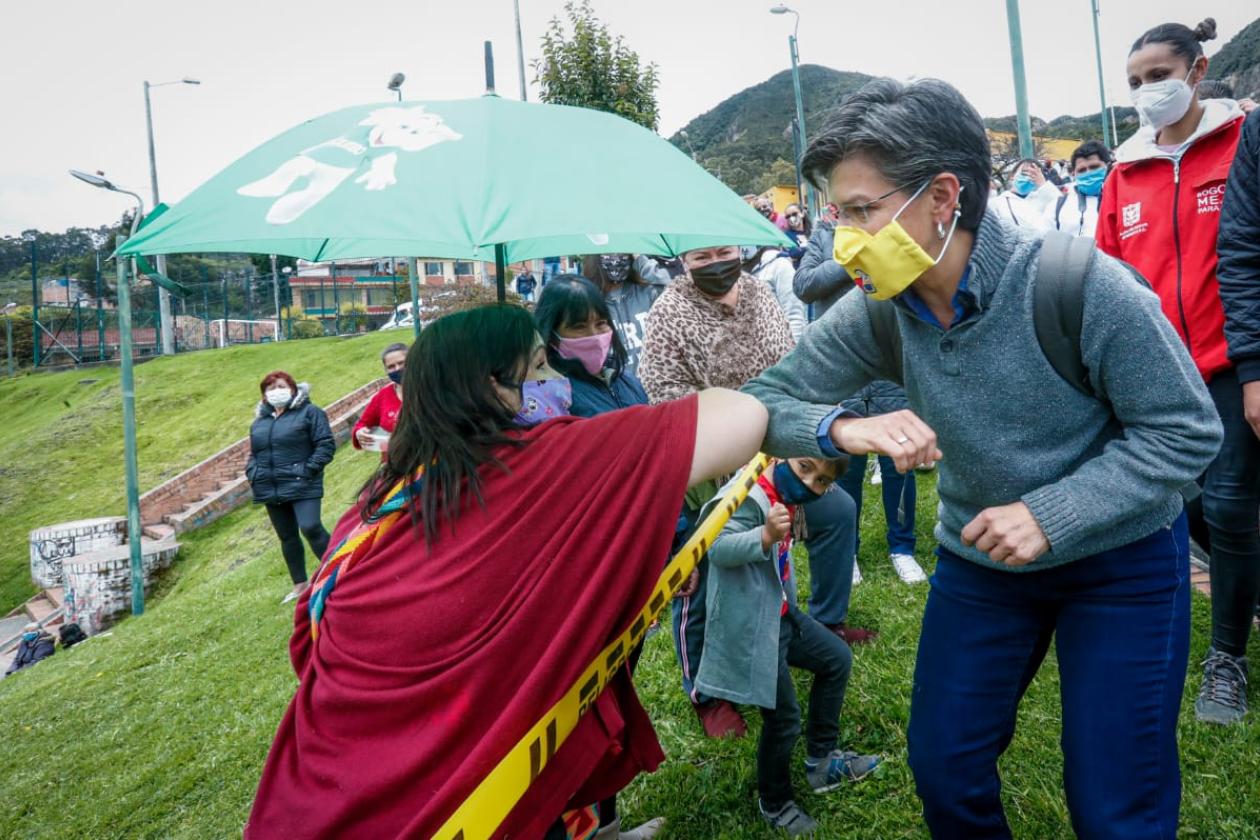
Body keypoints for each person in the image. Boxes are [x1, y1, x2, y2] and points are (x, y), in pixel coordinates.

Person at [745, 77, 1221, 838]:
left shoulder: (1077, 282)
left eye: (864, 210)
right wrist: (841, 430)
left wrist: (1054, 513)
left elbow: (1186, 430)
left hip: (1122, 561)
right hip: (982, 564)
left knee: (1114, 801)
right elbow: (763, 400)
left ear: (942, 197)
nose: (845, 239)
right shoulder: (879, 308)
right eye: (838, 213)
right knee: (944, 769)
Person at [244, 304, 768, 840]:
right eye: (539, 367)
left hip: (316, 793)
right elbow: (742, 416)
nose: (556, 382)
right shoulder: (543, 461)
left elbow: (308, 649)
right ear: (495, 386)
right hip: (462, 804)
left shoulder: (375, 503)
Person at [639, 244, 866, 741]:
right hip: (715, 467)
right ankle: (706, 691)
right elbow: (668, 405)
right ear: (684, 260)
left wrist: (793, 434)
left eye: (725, 251)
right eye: (703, 255)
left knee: (838, 510)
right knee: (700, 574)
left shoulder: (760, 292)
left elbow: (794, 366)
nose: (717, 263)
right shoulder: (668, 314)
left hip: (780, 452)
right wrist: (738, 427)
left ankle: (824, 623)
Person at [1095, 17, 1252, 726]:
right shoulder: (1124, 173)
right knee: (1185, 504)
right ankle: (1242, 589)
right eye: (1135, 83)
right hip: (1157, 374)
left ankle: (1226, 661)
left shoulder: (1243, 145)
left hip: (1231, 364)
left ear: (1197, 68)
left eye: (1159, 75)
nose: (1147, 91)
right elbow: (1106, 281)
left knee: (1227, 502)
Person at [697, 455, 880, 835]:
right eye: (804, 467)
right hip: (751, 626)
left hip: (779, 614)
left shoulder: (785, 497)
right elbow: (715, 548)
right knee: (783, 718)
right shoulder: (746, 495)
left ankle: (822, 760)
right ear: (779, 458)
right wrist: (763, 537)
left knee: (836, 659)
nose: (810, 481)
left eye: (821, 480)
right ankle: (775, 802)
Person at [795, 218, 927, 586]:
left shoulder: (895, 232)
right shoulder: (823, 237)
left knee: (900, 462)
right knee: (845, 465)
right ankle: (848, 551)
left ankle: (902, 547)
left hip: (890, 366)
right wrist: (850, 256)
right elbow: (805, 286)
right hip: (843, 370)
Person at [246, 371, 336, 604]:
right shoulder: (260, 423)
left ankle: (338, 573)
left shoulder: (311, 413)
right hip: (270, 486)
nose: (276, 391)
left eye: (281, 386)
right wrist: (253, 473)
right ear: (264, 396)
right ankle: (300, 585)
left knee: (311, 526)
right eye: (271, 388)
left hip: (302, 483)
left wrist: (308, 470)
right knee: (287, 537)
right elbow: (254, 454)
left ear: (294, 389)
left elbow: (325, 444)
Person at [535, 274, 648, 417]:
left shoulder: (627, 380)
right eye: (579, 326)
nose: (594, 335)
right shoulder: (553, 397)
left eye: (601, 323)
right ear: (551, 335)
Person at [581, 254, 665, 380]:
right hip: (616, 392)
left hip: (656, 388)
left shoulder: (649, 293)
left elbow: (682, 287)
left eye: (622, 252)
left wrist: (642, 262)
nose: (616, 258)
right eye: (609, 252)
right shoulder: (587, 303)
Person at [1043, 140, 1112, 237]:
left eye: (1094, 167)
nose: (1088, 173)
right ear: (1074, 174)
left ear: (1108, 167)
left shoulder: (1125, 201)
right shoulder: (1057, 206)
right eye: (1082, 170)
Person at [352, 342, 407, 457]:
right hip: (397, 466)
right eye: (391, 367)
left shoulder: (431, 389)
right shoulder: (383, 396)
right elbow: (361, 424)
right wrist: (360, 433)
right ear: (386, 370)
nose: (397, 369)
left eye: (401, 363)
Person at [746, 245, 807, 340]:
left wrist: (794, 352)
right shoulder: (734, 271)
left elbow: (794, 315)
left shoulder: (779, 264)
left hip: (781, 346)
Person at [991, 158, 1059, 228]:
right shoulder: (997, 204)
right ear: (1012, 176)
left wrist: (1044, 185)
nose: (1028, 177)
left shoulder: (1044, 200)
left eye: (1033, 174)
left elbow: (1060, 209)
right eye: (1024, 173)